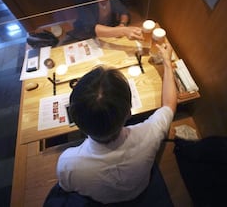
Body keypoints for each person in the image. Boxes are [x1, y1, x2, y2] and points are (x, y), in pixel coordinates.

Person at [56, 41, 177, 204]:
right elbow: (169, 105)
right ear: (128, 113)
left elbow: (66, 188)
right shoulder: (150, 134)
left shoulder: (68, 163)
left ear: (76, 122)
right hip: (141, 190)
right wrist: (167, 64)